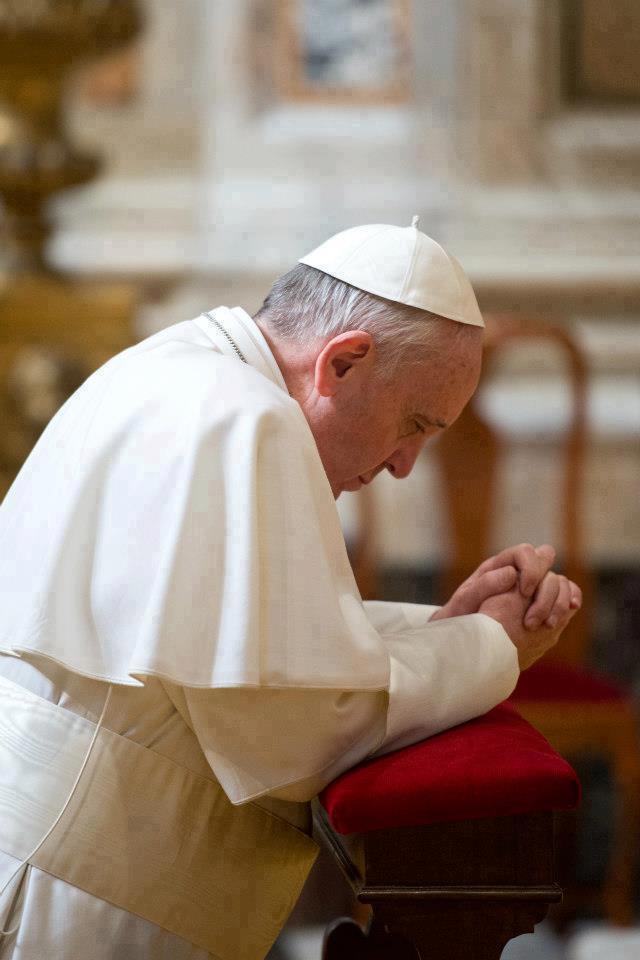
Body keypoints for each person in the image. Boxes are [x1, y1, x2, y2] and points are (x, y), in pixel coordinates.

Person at [0, 219, 581, 960]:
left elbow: (238, 637)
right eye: (412, 423)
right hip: (78, 901)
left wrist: (441, 627)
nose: (404, 465)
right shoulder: (249, 421)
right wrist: (490, 646)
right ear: (344, 362)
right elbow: (298, 729)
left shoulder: (173, 368)